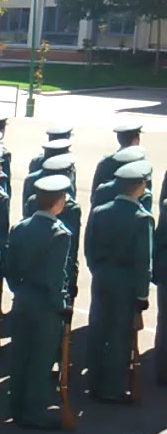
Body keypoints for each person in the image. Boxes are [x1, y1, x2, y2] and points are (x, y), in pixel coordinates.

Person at [6, 175, 73, 428]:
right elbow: (56, 278)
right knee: (40, 359)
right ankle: (32, 412)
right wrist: (60, 306)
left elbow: (10, 268)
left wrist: (20, 290)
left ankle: (17, 405)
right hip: (45, 303)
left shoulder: (21, 228)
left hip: (23, 297)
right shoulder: (59, 234)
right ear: (58, 202)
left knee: (21, 354)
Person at [84, 161, 153, 403]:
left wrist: (98, 270)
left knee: (98, 329)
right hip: (126, 283)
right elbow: (143, 261)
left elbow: (89, 248)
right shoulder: (141, 219)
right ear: (140, 186)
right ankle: (112, 389)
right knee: (118, 336)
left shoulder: (101, 211)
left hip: (102, 276)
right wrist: (142, 296)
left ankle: (94, 382)